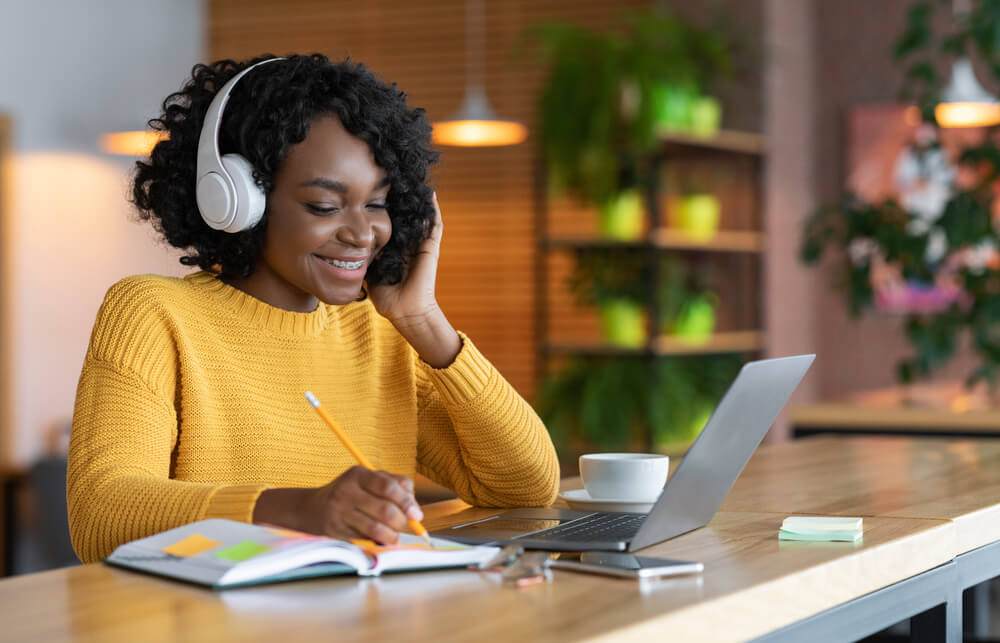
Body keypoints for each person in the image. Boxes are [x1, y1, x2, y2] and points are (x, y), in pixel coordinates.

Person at [67, 54, 560, 564]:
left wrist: (424, 322)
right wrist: (303, 511)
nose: (363, 233)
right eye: (325, 206)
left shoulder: (380, 332)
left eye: (377, 203)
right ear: (238, 200)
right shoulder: (154, 313)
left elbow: (525, 486)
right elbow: (101, 514)